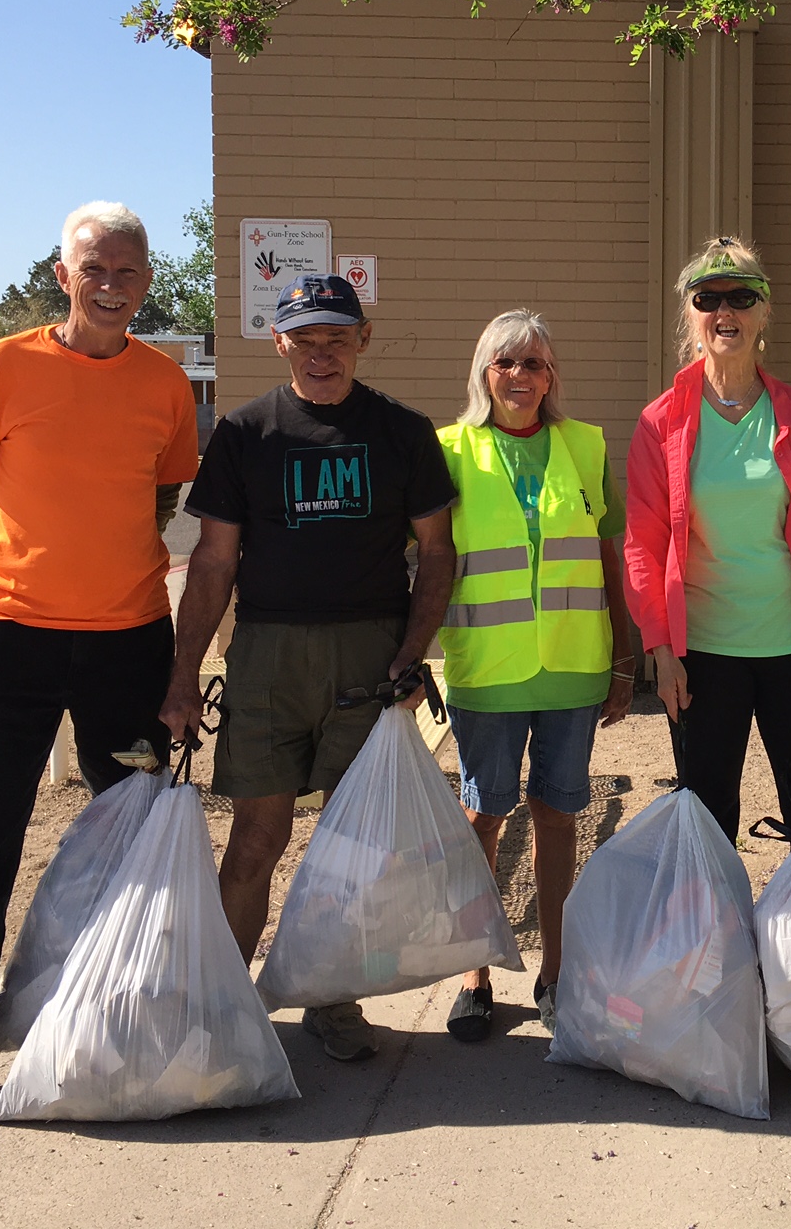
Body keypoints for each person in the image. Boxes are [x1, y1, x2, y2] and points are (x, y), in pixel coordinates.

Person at [0, 201, 200, 1143]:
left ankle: (113, 1032)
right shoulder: (2, 367)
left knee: (134, 843)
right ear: (63, 275)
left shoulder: (165, 386)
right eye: (94, 269)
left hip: (127, 640)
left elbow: (160, 495)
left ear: (147, 280)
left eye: (128, 270)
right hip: (8, 637)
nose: (111, 284)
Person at [158, 273, 458, 1065]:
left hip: (369, 656)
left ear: (362, 339)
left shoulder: (401, 431)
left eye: (337, 337)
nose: (322, 353)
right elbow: (215, 561)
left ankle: (332, 997)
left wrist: (411, 652)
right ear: (279, 341)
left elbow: (435, 553)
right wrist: (183, 674)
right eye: (306, 338)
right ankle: (224, 1003)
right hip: (267, 655)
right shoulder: (245, 433)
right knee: (258, 834)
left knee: (350, 843)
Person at [435, 310, 636, 1043]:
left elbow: (610, 558)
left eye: (535, 364)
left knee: (557, 816)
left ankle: (556, 970)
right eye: (506, 363)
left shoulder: (584, 446)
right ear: (483, 372)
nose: (521, 376)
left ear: (552, 376)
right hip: (487, 670)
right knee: (483, 818)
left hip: (573, 669)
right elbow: (425, 565)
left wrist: (624, 655)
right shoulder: (449, 450)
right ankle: (476, 973)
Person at [624, 237, 791, 845]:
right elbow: (642, 544)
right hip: (704, 650)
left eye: (742, 297)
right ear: (691, 315)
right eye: (709, 298)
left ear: (765, 311)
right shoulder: (661, 420)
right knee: (706, 819)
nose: (726, 312)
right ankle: (716, 939)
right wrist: (660, 647)